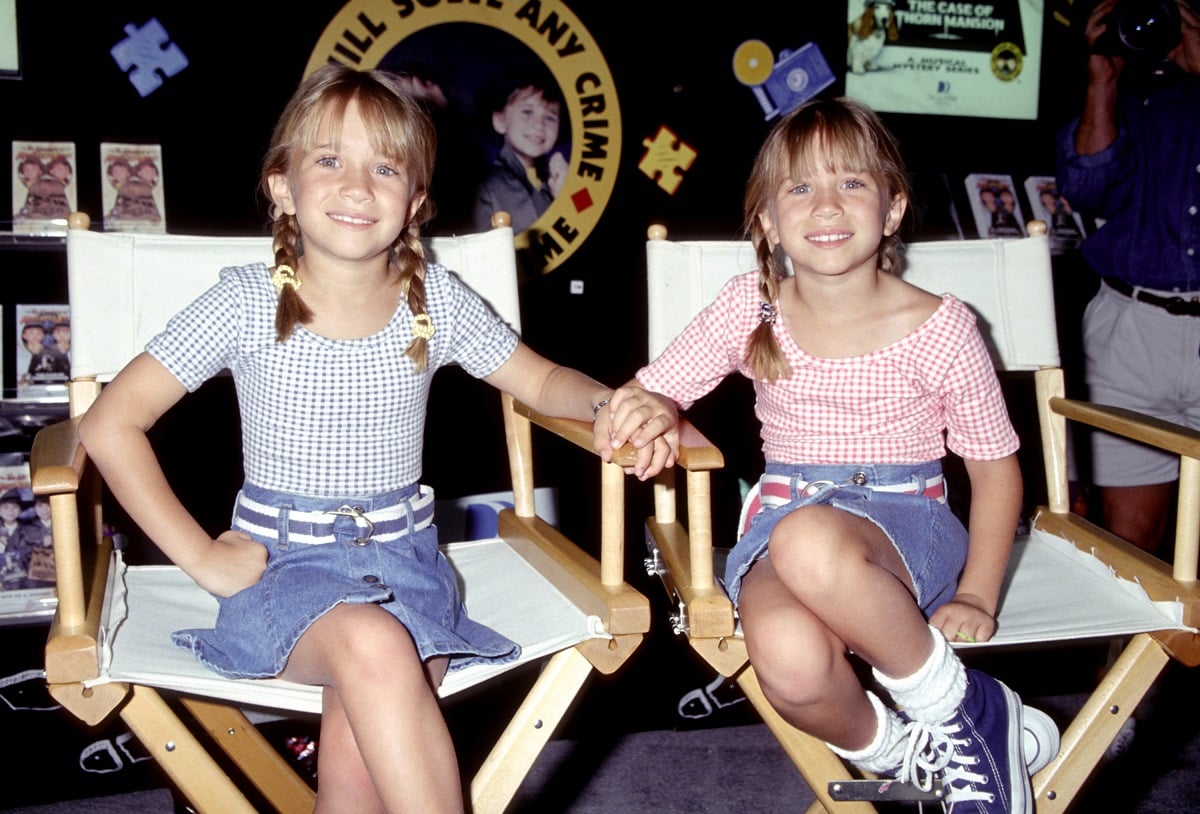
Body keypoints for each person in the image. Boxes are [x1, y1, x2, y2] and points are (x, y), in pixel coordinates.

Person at [76, 64, 679, 814]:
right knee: (375, 650)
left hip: (408, 566)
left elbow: (544, 382)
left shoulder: (436, 303)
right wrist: (201, 558)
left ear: (416, 201)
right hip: (279, 571)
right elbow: (109, 424)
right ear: (283, 188)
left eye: (384, 167)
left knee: (368, 718)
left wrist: (611, 402)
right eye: (329, 160)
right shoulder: (245, 302)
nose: (358, 186)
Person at [626, 97, 1055, 812]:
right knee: (788, 667)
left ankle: (963, 710)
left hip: (905, 527)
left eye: (852, 183)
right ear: (766, 220)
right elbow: (657, 388)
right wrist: (646, 411)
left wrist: (979, 592)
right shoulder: (750, 307)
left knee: (809, 540)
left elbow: (993, 467)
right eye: (799, 188)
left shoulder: (942, 326)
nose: (826, 204)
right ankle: (911, 752)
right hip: (780, 526)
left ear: (892, 209)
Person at [1055, 0, 1200, 553]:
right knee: (1129, 543)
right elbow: (1087, 189)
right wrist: (1103, 82)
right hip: (1133, 329)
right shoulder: (1130, 94)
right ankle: (1133, 646)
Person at [472, 75, 568, 234]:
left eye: (550, 117)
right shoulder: (489, 186)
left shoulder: (557, 181)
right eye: (527, 111)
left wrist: (566, 195)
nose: (539, 124)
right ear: (500, 121)